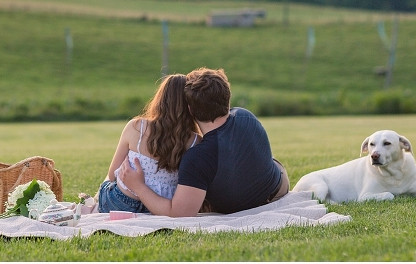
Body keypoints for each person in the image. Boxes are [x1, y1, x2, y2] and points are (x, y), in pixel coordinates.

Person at [119, 67, 289, 217]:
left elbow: (179, 213)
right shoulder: (245, 116)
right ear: (227, 98)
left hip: (244, 208)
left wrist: (139, 186)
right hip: (278, 190)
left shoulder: (198, 157)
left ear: (190, 109)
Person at [96, 74, 201, 213]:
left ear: (160, 100)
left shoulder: (136, 127)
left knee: (105, 185)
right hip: (159, 206)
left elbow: (112, 174)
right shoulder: (195, 141)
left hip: (121, 202)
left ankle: (90, 206)